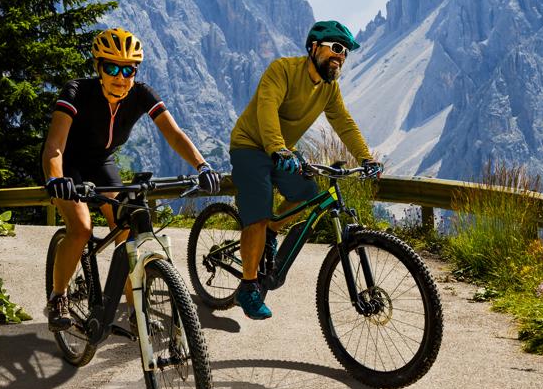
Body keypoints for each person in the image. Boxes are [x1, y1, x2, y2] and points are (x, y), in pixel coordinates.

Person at [42, 27, 221, 330]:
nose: (121, 77)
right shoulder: (76, 91)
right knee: (82, 228)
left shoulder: (141, 94)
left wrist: (202, 165)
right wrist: (57, 179)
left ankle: (137, 311)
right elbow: (54, 147)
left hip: (101, 163)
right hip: (68, 165)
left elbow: (174, 134)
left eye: (128, 69)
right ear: (98, 67)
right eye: (112, 67)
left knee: (126, 232)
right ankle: (58, 297)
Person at [228, 19, 383, 320]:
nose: (341, 56)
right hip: (250, 145)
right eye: (336, 48)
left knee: (308, 192)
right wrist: (277, 148)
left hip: (282, 150)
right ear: (314, 47)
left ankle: (272, 232)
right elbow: (267, 108)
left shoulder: (329, 87)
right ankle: (247, 287)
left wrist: (367, 158)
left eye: (346, 53)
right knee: (258, 212)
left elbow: (344, 123)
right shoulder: (282, 70)